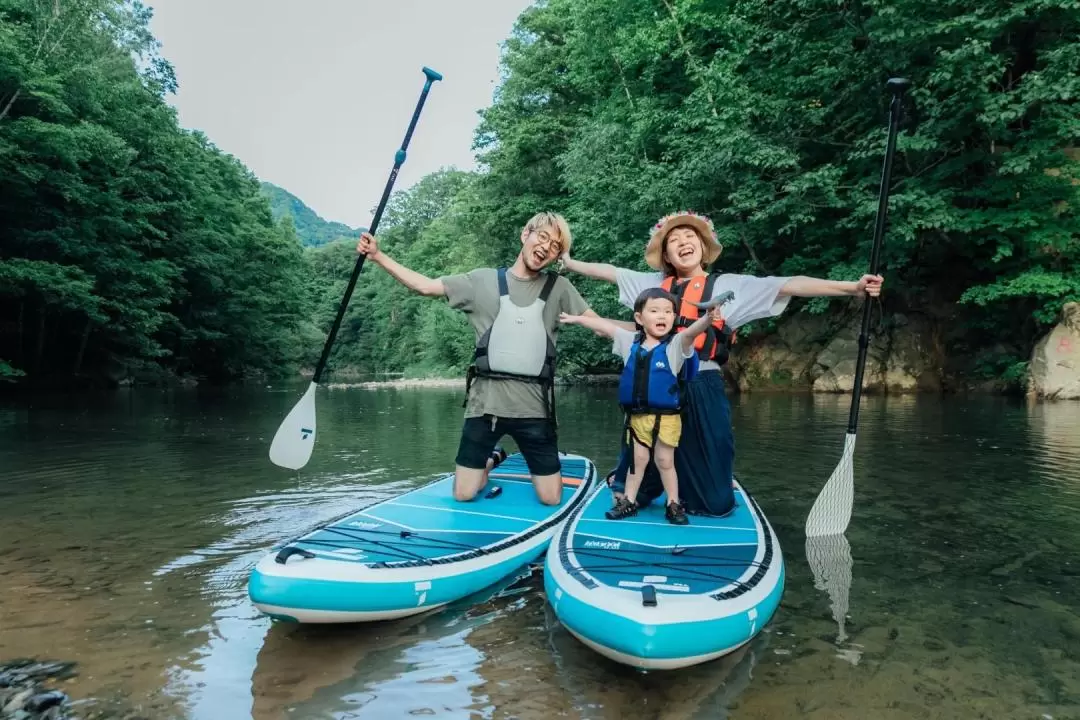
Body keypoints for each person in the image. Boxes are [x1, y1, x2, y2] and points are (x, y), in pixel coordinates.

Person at [560, 210, 884, 516]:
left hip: (703, 383)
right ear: (666, 256)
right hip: (657, 385)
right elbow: (610, 273)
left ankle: (702, 480)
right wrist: (570, 263)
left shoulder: (730, 286)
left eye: (690, 237)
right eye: (674, 240)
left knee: (714, 503)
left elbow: (790, 283)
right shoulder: (651, 284)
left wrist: (851, 288)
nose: (683, 243)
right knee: (632, 491)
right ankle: (635, 480)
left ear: (703, 246)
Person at [356, 212, 600, 506]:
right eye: (542, 237)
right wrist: (378, 256)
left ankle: (498, 456)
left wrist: (651, 325)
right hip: (485, 408)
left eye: (555, 246)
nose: (546, 247)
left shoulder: (559, 289)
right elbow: (425, 286)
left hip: (535, 409)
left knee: (551, 499)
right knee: (464, 493)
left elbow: (599, 326)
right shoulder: (481, 280)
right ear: (526, 234)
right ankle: (494, 457)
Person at [560, 287, 727, 525]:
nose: (662, 316)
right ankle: (628, 501)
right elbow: (605, 327)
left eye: (668, 312)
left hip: (667, 418)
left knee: (665, 461)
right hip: (638, 418)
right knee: (637, 461)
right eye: (655, 310)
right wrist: (576, 318)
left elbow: (691, 333)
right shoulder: (630, 342)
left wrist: (708, 318)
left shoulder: (675, 344)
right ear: (639, 318)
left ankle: (673, 503)